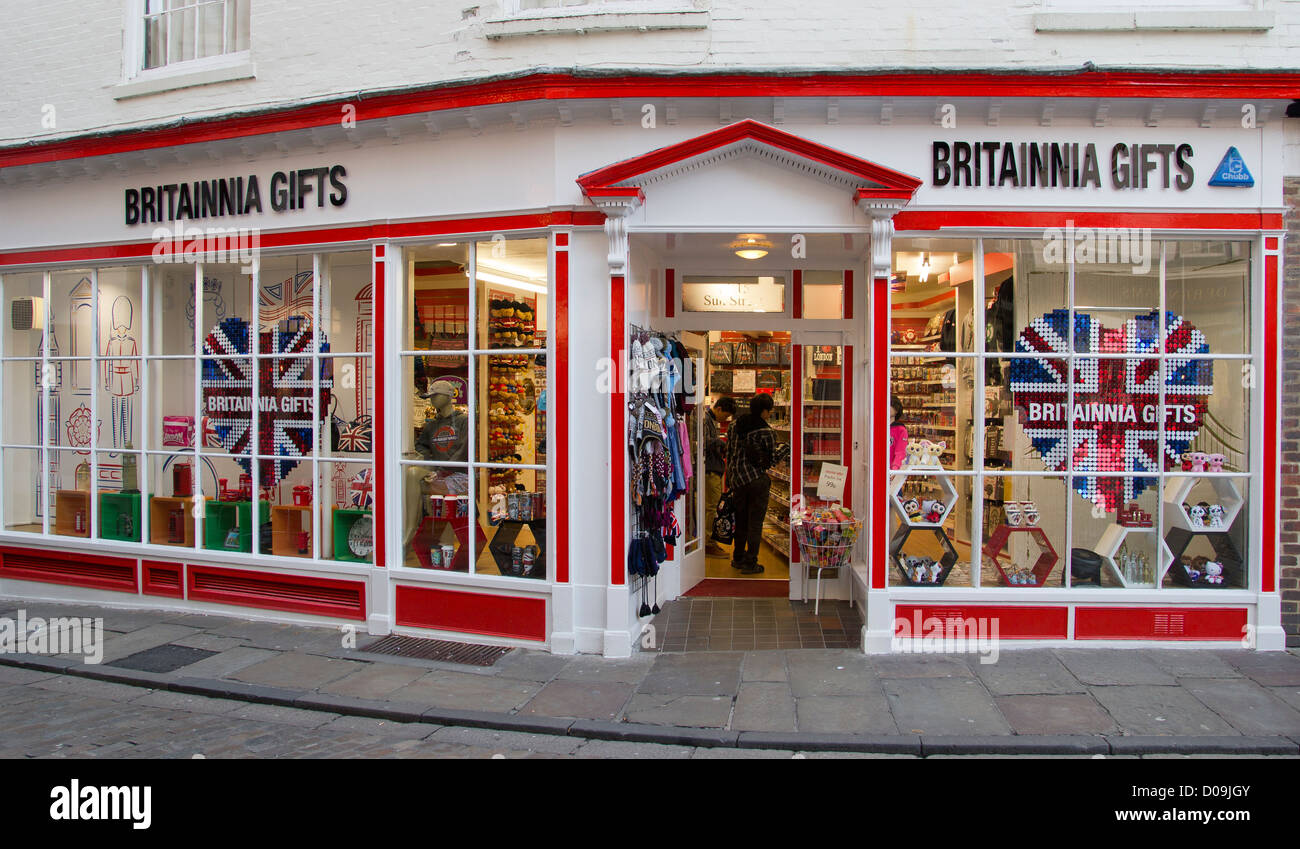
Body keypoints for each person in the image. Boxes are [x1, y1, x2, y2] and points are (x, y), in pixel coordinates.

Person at [724, 393, 789, 575]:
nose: (769, 415)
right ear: (764, 411)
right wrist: (784, 449)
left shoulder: (734, 426)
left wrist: (731, 477)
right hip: (756, 481)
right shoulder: (766, 432)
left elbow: (730, 452)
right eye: (769, 411)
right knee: (755, 523)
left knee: (741, 520)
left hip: (738, 480)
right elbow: (769, 460)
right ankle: (751, 562)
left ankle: (737, 557)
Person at [703, 396, 736, 556]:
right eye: (726, 415)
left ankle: (708, 540)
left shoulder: (709, 420)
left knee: (710, 506)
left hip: (712, 468)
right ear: (720, 409)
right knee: (711, 506)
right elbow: (705, 441)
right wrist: (721, 443)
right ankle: (708, 543)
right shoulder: (706, 419)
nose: (725, 419)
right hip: (710, 469)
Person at [889, 395, 909, 470]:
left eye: (890, 405)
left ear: (896, 410)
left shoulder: (901, 430)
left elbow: (900, 452)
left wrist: (895, 469)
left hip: (891, 472)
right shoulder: (876, 427)